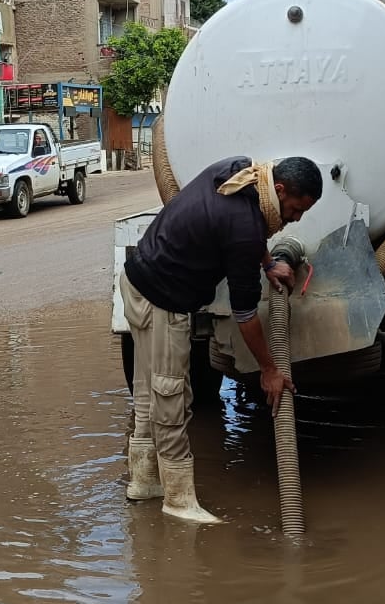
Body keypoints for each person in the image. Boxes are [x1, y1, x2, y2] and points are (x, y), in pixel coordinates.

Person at [120, 156, 322, 524]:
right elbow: (245, 316)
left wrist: (266, 263)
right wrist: (269, 369)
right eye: (296, 209)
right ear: (279, 190)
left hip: (135, 280)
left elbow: (248, 229)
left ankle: (144, 482)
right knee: (171, 397)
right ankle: (178, 501)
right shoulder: (245, 226)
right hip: (163, 301)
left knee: (148, 391)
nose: (297, 218)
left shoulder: (243, 172)